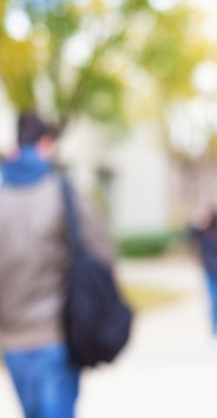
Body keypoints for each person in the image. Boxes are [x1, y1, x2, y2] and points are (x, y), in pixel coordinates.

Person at [0, 112, 117, 418]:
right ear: (46, 144)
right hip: (57, 334)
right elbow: (101, 254)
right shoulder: (62, 192)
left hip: (12, 340)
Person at [188, 209, 217, 337]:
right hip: (210, 269)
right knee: (214, 297)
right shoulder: (204, 233)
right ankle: (215, 326)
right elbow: (189, 232)